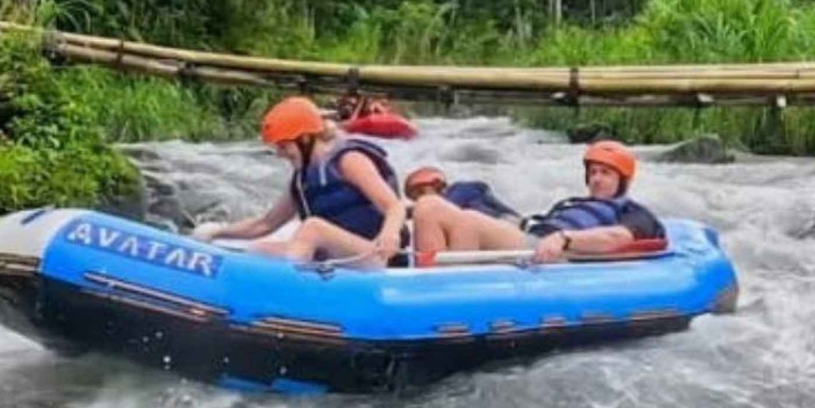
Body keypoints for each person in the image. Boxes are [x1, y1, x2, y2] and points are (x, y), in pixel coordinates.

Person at [194, 96, 407, 266]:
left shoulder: (348, 160)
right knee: (259, 250)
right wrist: (218, 230)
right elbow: (265, 224)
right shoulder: (300, 180)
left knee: (313, 228)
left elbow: (394, 206)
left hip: (378, 257)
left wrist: (389, 234)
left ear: (305, 139)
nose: (280, 154)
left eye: (284, 146)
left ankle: (290, 291)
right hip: (340, 259)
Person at [409, 140, 664, 262]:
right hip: (529, 230)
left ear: (623, 180)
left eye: (605, 173)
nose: (596, 179)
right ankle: (423, 272)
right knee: (452, 197)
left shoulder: (634, 211)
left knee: (466, 221)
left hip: (550, 248)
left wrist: (564, 238)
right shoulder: (571, 202)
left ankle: (443, 287)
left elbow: (618, 238)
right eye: (593, 172)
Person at [402, 166, 521, 223]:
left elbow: (447, 206)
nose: (419, 201)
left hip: (518, 228)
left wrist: (399, 212)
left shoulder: (462, 189)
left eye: (419, 195)